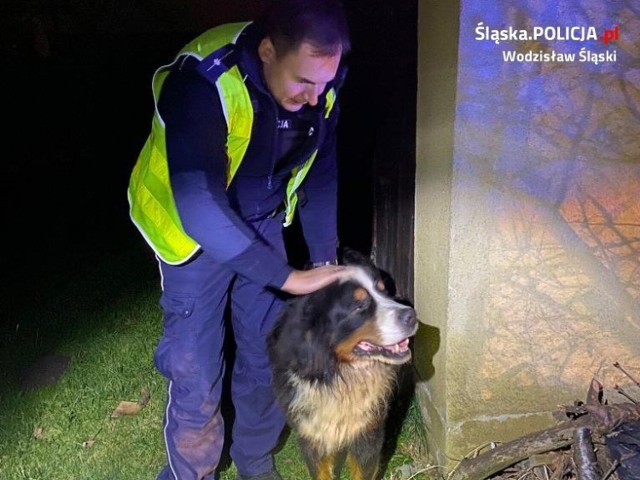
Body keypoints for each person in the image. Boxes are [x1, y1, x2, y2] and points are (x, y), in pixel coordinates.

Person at [127, 1, 351, 479]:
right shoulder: (202, 81)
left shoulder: (322, 88)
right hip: (193, 235)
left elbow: (322, 174)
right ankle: (193, 472)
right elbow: (199, 204)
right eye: (303, 82)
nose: (315, 97)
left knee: (264, 352)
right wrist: (288, 278)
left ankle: (254, 458)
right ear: (268, 50)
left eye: (325, 84)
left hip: (262, 222)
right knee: (194, 366)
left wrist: (324, 260)